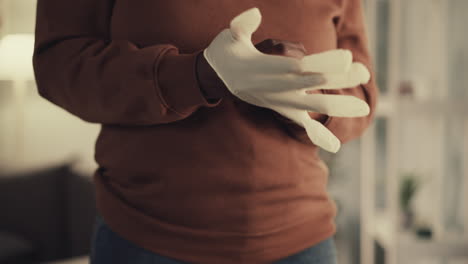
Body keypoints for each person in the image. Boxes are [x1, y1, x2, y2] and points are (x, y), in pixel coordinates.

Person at [32, 1, 378, 263]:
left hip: (302, 243)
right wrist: (197, 75)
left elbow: (362, 96)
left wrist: (306, 98)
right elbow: (58, 66)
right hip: (146, 240)